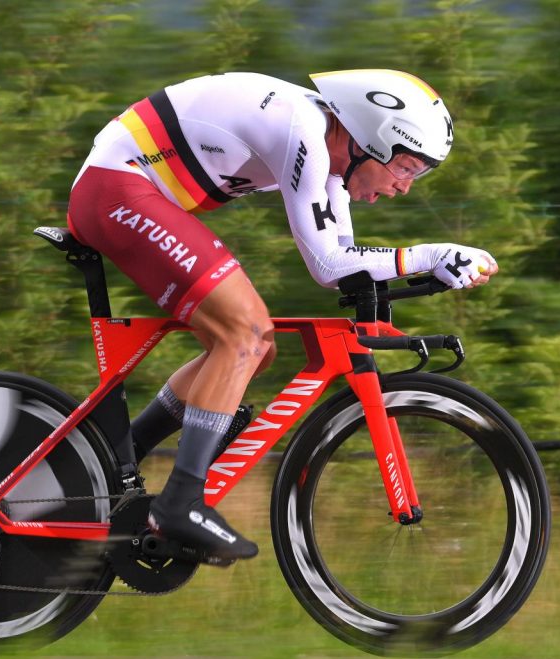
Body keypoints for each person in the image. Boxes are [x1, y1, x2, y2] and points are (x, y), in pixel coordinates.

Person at [66, 69, 498, 563]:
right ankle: (180, 502)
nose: (404, 186)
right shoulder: (305, 135)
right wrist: (426, 254)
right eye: (406, 167)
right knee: (244, 334)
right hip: (117, 189)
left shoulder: (332, 158)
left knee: (258, 348)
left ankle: (113, 456)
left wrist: (428, 266)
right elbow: (328, 265)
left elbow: (343, 261)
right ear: (369, 141)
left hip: (130, 191)